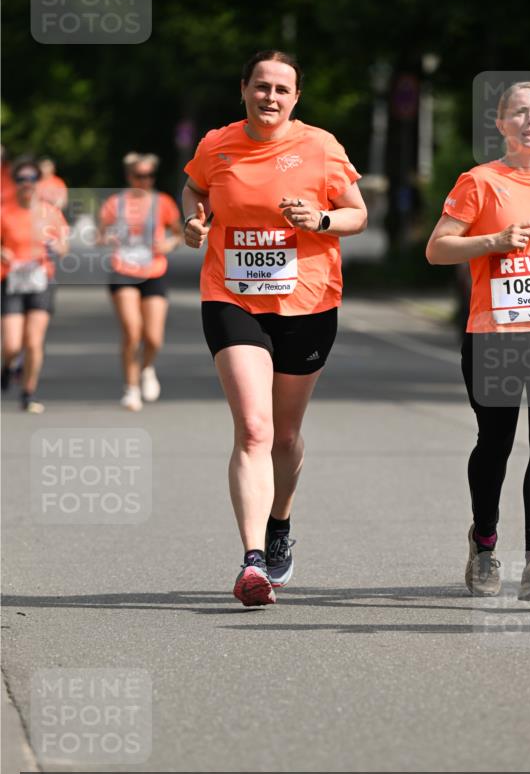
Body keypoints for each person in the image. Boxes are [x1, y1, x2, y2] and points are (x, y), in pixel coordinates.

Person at [182, 49, 367, 606]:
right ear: (244, 89)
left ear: (295, 99)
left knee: (284, 436)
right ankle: (253, 559)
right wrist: (193, 218)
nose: (271, 97)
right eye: (261, 87)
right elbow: (194, 187)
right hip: (232, 297)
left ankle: (280, 523)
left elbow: (356, 212)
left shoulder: (321, 146)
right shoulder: (217, 144)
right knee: (255, 430)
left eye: (282, 90)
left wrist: (323, 220)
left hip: (307, 302)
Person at [426, 81, 530, 602]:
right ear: (500, 124)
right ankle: (485, 544)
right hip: (494, 333)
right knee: (495, 442)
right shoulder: (479, 182)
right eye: (518, 112)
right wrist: (494, 242)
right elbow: (437, 249)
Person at [98, 152, 182, 411]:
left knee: (154, 337)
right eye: (139, 176)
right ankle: (131, 388)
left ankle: (146, 368)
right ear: (129, 176)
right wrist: (107, 238)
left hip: (154, 270)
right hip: (123, 271)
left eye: (148, 176)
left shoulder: (163, 202)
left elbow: (178, 233)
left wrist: (169, 243)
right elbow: (100, 233)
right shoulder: (115, 203)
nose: (144, 181)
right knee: (132, 331)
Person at [1, 157, 69, 412]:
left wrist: (57, 248)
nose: (26, 184)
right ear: (15, 182)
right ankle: (7, 366)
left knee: (33, 341)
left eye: (32, 179)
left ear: (38, 183)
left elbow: (64, 246)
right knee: (11, 344)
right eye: (21, 179)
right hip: (11, 281)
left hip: (41, 281)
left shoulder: (50, 213)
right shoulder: (4, 212)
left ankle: (28, 392)